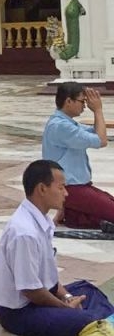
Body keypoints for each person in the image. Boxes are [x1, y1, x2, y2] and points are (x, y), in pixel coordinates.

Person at [0, 159, 114, 336]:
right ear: (42, 189)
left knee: (88, 290)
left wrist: (68, 297)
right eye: (61, 187)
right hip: (18, 312)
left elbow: (49, 280)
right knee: (83, 321)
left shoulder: (41, 222)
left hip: (40, 298)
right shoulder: (24, 233)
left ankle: (103, 325)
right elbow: (30, 290)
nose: (66, 193)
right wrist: (66, 308)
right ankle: (100, 325)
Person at [42, 83, 114, 229]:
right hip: (72, 189)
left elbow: (95, 132)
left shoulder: (66, 123)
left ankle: (72, 214)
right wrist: (98, 110)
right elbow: (101, 141)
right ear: (69, 101)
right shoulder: (61, 126)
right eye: (82, 101)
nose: (85, 106)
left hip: (77, 188)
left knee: (109, 203)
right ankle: (72, 211)